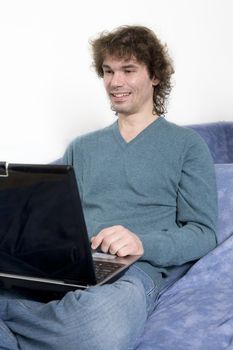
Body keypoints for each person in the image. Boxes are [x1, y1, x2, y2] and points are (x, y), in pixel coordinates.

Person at [0, 25, 217, 350]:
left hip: (133, 274)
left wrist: (141, 242)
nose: (115, 82)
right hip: (69, 267)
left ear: (154, 76)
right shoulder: (82, 147)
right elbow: (46, 216)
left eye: (128, 70)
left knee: (102, 325)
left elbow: (203, 232)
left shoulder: (187, 145)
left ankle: (16, 331)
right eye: (108, 71)